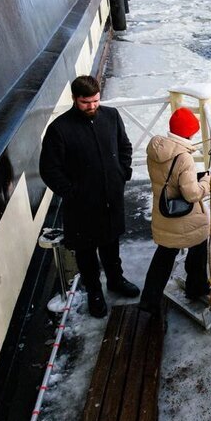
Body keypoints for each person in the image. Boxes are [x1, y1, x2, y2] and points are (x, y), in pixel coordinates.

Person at [39, 75, 139, 318]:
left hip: (110, 199)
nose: (92, 106)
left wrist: (122, 173)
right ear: (75, 99)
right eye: (86, 102)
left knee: (111, 244)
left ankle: (116, 280)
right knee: (86, 254)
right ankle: (94, 292)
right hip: (81, 207)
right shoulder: (59, 130)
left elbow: (124, 147)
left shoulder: (111, 117)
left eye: (95, 100)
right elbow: (49, 170)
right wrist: (72, 193)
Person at [139, 107, 211, 315]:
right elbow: (192, 195)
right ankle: (196, 288)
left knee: (163, 256)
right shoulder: (184, 157)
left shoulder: (155, 149)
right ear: (188, 132)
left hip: (163, 213)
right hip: (184, 217)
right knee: (198, 248)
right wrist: (206, 181)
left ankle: (149, 299)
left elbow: (166, 179)